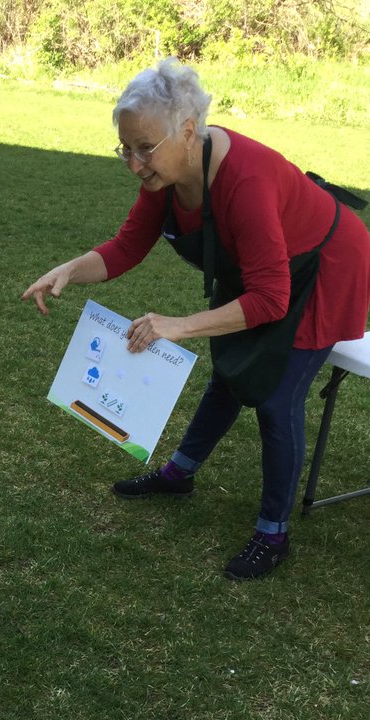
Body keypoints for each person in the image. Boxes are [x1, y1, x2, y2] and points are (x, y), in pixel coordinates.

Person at [23, 58, 370, 580]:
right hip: (267, 268)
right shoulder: (168, 176)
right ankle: (179, 474)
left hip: (323, 267)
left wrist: (179, 324)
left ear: (188, 132)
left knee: (276, 397)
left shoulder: (245, 180)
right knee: (230, 372)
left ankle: (273, 533)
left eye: (145, 149)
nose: (135, 164)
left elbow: (272, 300)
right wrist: (69, 270)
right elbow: (126, 246)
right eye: (126, 148)